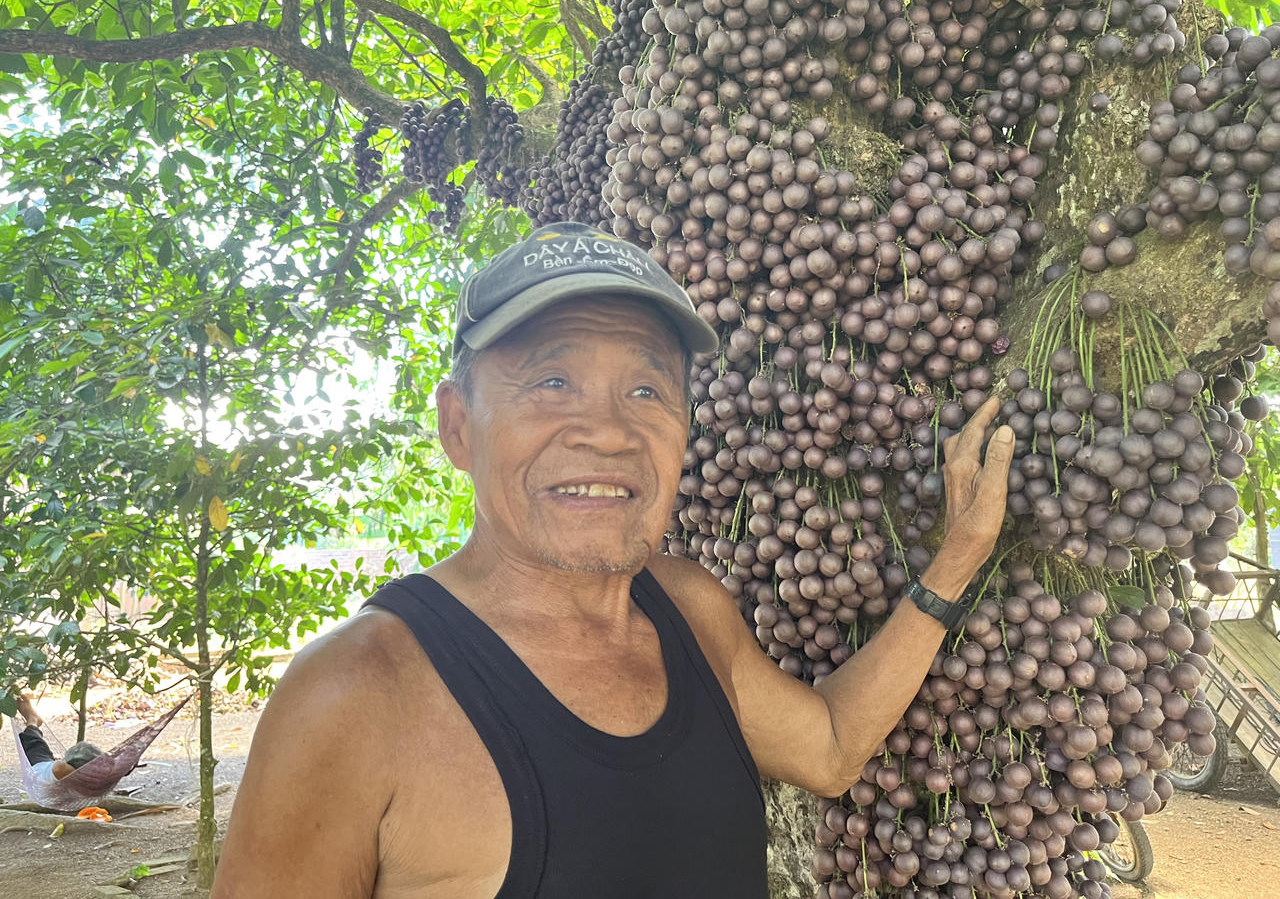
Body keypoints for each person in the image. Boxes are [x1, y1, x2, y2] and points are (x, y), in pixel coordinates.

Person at [212, 222, 1014, 899]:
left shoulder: (688, 607)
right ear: (458, 427)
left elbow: (831, 748)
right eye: (552, 380)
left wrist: (956, 559)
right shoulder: (356, 693)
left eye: (645, 391)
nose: (607, 432)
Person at [13, 693, 104, 781]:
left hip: (39, 765)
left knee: (34, 742)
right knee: (34, 740)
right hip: (44, 765)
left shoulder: (63, 771)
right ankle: (33, 720)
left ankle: (33, 720)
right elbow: (61, 768)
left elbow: (61, 768)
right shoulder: (64, 772)